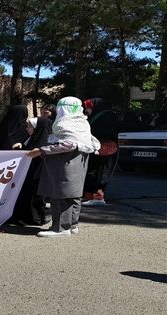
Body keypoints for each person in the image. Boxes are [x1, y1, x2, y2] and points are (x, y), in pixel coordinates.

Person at [27, 97, 100, 237]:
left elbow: (68, 144)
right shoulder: (82, 122)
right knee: (73, 193)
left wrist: (42, 150)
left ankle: (60, 228)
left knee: (61, 193)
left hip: (66, 162)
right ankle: (72, 225)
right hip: (78, 161)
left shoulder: (66, 122)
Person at [11, 117, 52, 225]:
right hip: (32, 172)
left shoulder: (44, 140)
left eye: (30, 126)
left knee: (34, 195)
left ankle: (35, 217)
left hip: (37, 172)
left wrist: (20, 150)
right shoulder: (33, 138)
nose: (27, 129)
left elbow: (31, 153)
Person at [82, 98, 119, 206]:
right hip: (97, 148)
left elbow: (107, 132)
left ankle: (98, 197)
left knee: (101, 173)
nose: (87, 109)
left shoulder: (107, 115)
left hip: (106, 149)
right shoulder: (96, 116)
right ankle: (89, 196)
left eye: (88, 107)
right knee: (92, 172)